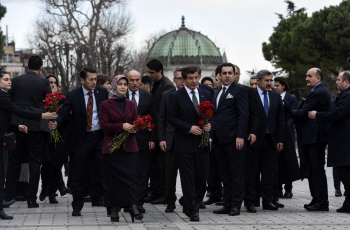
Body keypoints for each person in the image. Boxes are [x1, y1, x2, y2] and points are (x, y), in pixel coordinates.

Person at [50, 66, 109, 216]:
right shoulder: (73, 95)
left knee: (104, 170)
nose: (94, 82)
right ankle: (77, 205)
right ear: (82, 80)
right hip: (82, 138)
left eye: (95, 79)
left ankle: (109, 204)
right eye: (91, 79)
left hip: (99, 137)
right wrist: (56, 121)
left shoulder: (102, 92)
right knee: (78, 172)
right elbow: (64, 111)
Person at [0, 70, 56, 219]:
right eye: (6, 79)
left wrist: (16, 126)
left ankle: (8, 196)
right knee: (35, 163)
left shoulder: (15, 83)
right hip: (36, 128)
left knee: (13, 162)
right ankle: (31, 198)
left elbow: (12, 109)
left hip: (18, 126)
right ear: (40, 68)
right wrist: (43, 115)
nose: (9, 82)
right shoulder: (43, 83)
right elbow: (47, 101)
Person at [168, 65, 212, 221]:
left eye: (196, 77)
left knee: (202, 174)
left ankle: (187, 200)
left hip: (203, 143)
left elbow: (213, 115)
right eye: (190, 78)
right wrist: (189, 128)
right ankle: (192, 209)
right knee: (187, 176)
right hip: (184, 143)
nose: (194, 81)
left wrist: (210, 126)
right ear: (183, 79)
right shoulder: (175, 96)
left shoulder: (207, 93)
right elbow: (171, 118)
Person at [98, 75, 143, 222]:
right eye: (120, 84)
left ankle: (133, 206)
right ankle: (113, 208)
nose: (123, 87)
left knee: (131, 178)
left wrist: (135, 128)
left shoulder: (131, 104)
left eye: (125, 84)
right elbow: (104, 126)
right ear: (114, 86)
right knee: (113, 180)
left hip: (130, 147)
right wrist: (121, 126)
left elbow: (136, 122)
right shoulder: (105, 104)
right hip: (112, 148)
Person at [308, 70, 350, 213]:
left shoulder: (348, 96)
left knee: (344, 172)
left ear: (347, 82)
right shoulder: (344, 95)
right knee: (343, 172)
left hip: (344, 142)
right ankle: (348, 204)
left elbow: (338, 114)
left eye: (339, 79)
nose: (336, 82)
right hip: (341, 142)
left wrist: (317, 115)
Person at [211, 63, 249, 216]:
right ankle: (227, 203)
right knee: (224, 174)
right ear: (219, 75)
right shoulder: (217, 92)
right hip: (219, 140)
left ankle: (236, 205)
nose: (227, 75)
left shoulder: (239, 90)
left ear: (234, 75)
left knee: (236, 173)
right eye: (224, 73)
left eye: (230, 73)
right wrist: (211, 138)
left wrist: (240, 135)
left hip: (234, 139)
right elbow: (215, 116)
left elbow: (243, 114)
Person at [245, 70, 285, 212]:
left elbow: (280, 119)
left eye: (270, 80)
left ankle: (267, 201)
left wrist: (280, 139)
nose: (269, 83)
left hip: (271, 140)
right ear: (259, 81)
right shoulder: (250, 94)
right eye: (266, 80)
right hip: (254, 139)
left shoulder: (275, 96)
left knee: (269, 173)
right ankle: (251, 201)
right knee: (252, 172)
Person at [291, 68, 330, 211]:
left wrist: (288, 108)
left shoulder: (317, 93)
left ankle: (321, 202)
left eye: (310, 76)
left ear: (318, 78)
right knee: (313, 170)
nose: (306, 78)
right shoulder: (317, 92)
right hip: (313, 137)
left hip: (315, 138)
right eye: (306, 76)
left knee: (316, 170)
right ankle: (317, 200)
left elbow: (301, 114)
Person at [146, 59, 175, 204]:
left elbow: (163, 114)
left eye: (152, 73)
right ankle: (157, 192)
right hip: (155, 130)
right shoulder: (156, 84)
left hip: (161, 132)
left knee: (162, 165)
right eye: (148, 72)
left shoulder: (167, 87)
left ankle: (163, 193)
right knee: (155, 164)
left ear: (160, 72)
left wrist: (159, 135)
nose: (149, 75)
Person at [126, 70, 153, 213]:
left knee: (142, 173)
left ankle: (139, 201)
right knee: (126, 172)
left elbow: (153, 117)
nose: (135, 83)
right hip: (123, 140)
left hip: (142, 140)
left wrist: (152, 138)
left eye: (137, 80)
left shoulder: (148, 96)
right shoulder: (120, 96)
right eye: (132, 80)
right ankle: (127, 201)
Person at [158, 67, 184, 213]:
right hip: (170, 140)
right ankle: (170, 201)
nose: (181, 80)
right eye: (179, 78)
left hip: (187, 139)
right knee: (170, 173)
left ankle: (189, 199)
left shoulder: (191, 95)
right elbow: (161, 118)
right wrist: (161, 138)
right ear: (174, 80)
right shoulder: (167, 95)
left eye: (183, 78)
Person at [273, 77, 300, 199]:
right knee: (277, 162)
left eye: (277, 85)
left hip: (288, 134)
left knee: (288, 161)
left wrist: (284, 126)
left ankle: (288, 189)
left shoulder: (291, 98)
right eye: (275, 85)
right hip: (276, 134)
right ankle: (277, 188)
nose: (275, 87)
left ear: (283, 86)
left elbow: (294, 114)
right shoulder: (273, 97)